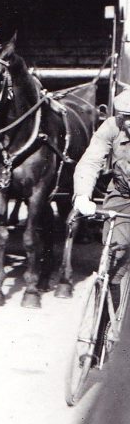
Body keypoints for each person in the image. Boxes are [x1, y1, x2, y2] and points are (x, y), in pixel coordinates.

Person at [72, 91, 130, 286]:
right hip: (122, 195)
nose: (128, 123)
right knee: (113, 256)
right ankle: (105, 312)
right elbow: (90, 161)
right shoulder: (112, 126)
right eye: (125, 117)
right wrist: (82, 195)